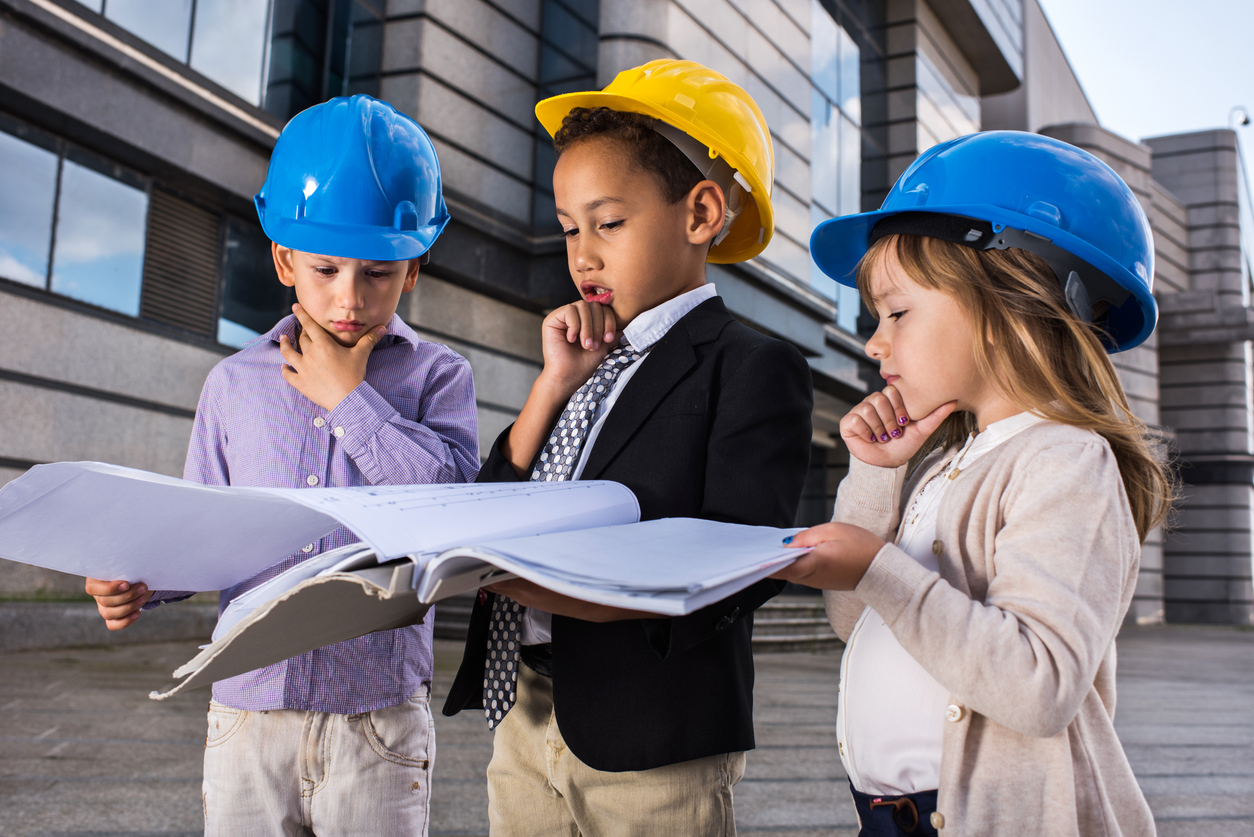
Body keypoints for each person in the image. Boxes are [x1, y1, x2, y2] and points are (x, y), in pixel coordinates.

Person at [83, 95, 479, 837]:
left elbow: (453, 515)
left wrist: (349, 399)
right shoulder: (233, 385)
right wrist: (138, 578)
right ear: (283, 258)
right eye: (326, 268)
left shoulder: (439, 379)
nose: (349, 298)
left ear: (414, 268)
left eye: (379, 273)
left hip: (377, 719)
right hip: (246, 713)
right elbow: (206, 527)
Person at [442, 59, 813, 836]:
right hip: (526, 716)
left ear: (701, 212)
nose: (582, 255)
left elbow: (743, 557)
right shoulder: (581, 366)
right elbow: (487, 502)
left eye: (607, 223)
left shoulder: (751, 365)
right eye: (570, 228)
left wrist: (576, 594)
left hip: (652, 733)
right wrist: (550, 388)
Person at [774, 131, 1173, 836]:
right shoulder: (946, 464)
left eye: (897, 311)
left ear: (1011, 302)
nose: (874, 342)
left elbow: (1039, 684)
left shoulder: (1064, 461)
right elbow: (855, 620)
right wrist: (873, 476)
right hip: (891, 817)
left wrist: (877, 565)